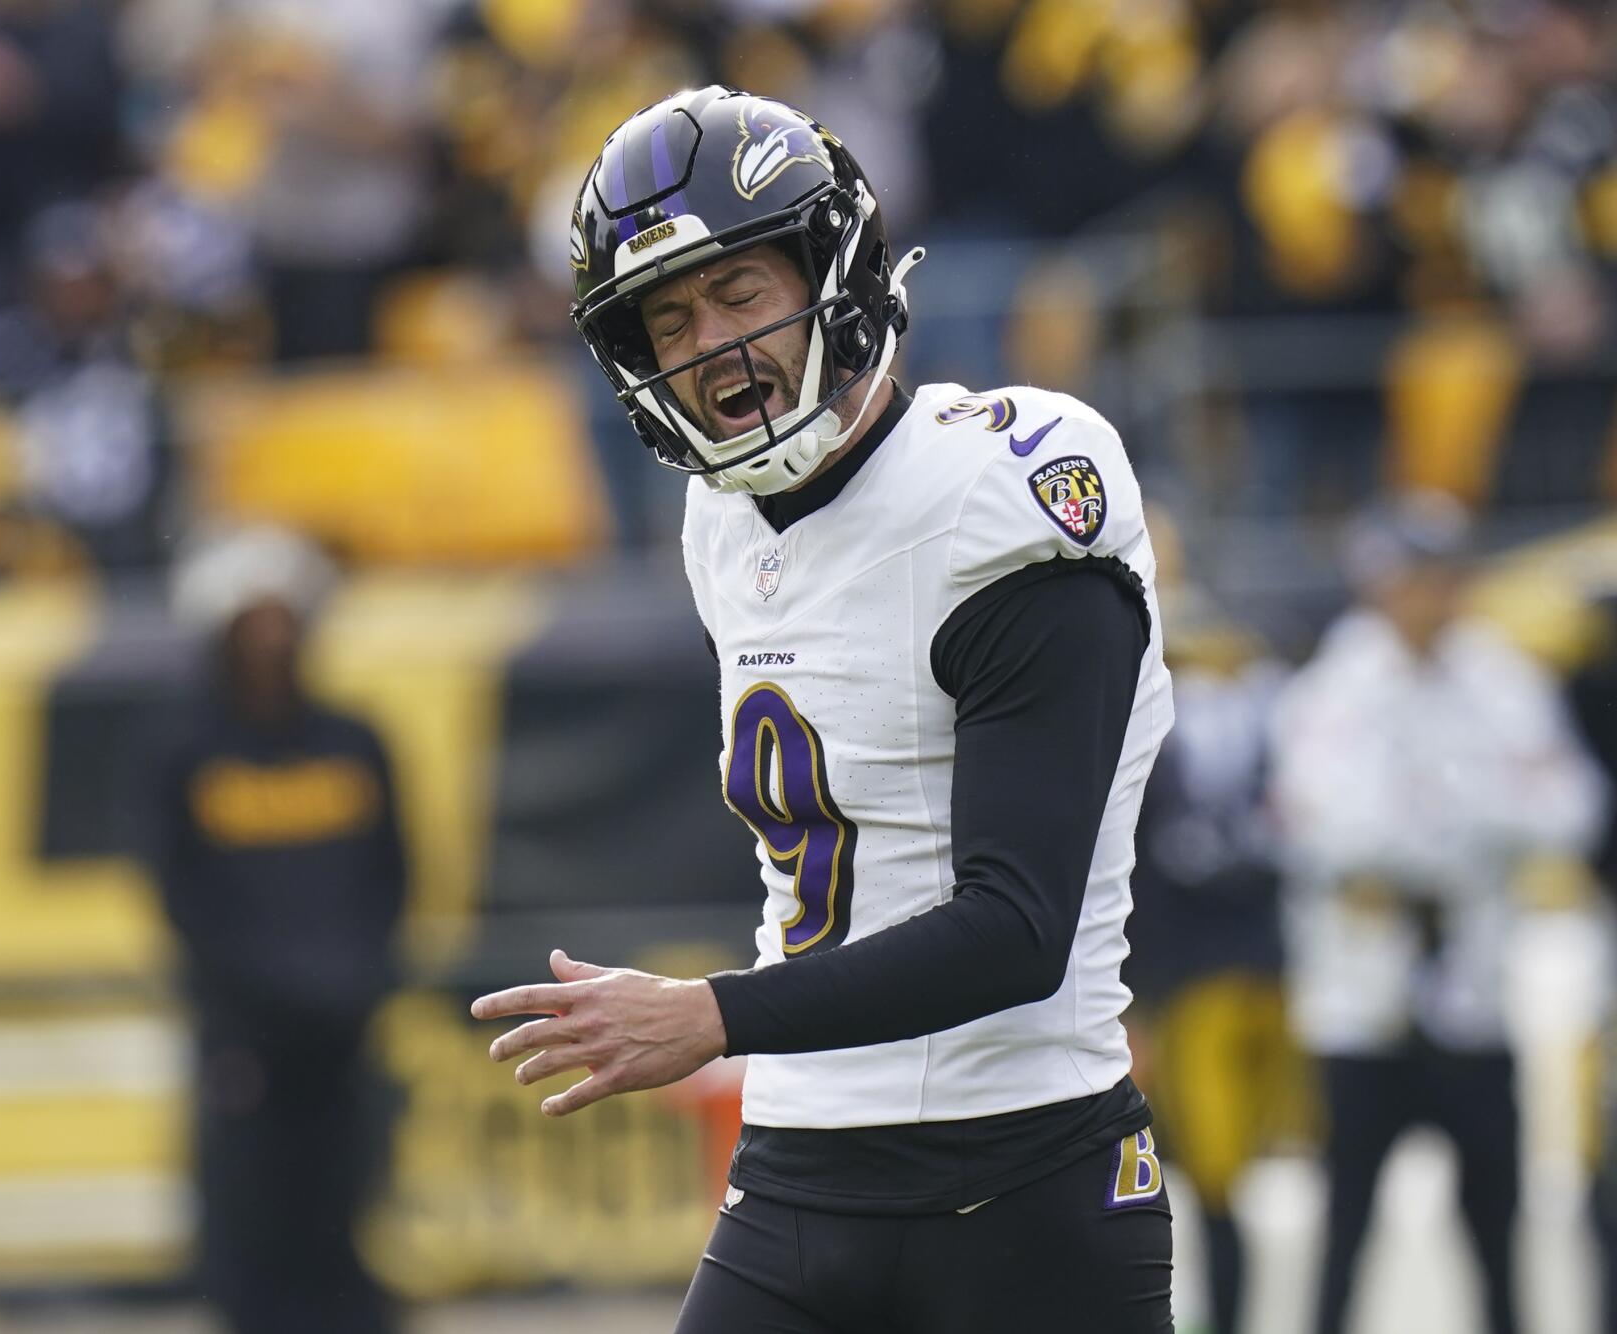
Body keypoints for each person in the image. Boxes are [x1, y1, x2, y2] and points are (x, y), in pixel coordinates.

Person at [472, 87, 1175, 1332]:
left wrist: (710, 1013)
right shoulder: (715, 520)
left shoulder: (1000, 486)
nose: (707, 345)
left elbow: (1016, 925)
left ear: (832, 271)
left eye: (738, 293)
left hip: (1022, 1176)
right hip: (799, 1166)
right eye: (668, 319)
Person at [1269, 495, 1605, 1334]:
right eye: (1415, 578)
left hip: (1475, 990)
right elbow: (1318, 828)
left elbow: (1575, 807)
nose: (1432, 597)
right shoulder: (1334, 687)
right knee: (1346, 1226)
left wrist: (1432, 830)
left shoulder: (1502, 679)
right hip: (1362, 998)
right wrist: (1479, 828)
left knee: (1497, 1230)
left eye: (1444, 578)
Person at [143, 527, 404, 1334]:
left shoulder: (353, 741)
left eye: (284, 619)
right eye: (253, 622)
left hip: (344, 1029)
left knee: (344, 1208)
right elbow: (180, 896)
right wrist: (248, 1000)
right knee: (249, 1227)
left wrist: (360, 978)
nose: (272, 639)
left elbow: (393, 873)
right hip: (242, 1039)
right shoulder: (185, 752)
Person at [1124, 589, 1301, 1334]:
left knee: (1220, 1181)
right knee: (1155, 1182)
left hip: (1224, 981)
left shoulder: (1279, 728)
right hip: (1173, 986)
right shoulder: (1148, 738)